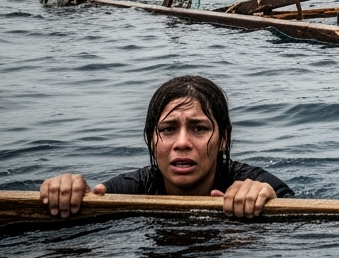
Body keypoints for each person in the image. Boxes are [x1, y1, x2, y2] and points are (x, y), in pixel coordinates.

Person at [39, 75, 293, 219]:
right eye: (168, 129)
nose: (182, 143)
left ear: (224, 138)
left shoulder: (253, 183)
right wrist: (68, 194)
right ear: (152, 138)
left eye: (199, 128)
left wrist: (268, 198)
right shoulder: (130, 190)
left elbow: (298, 214)